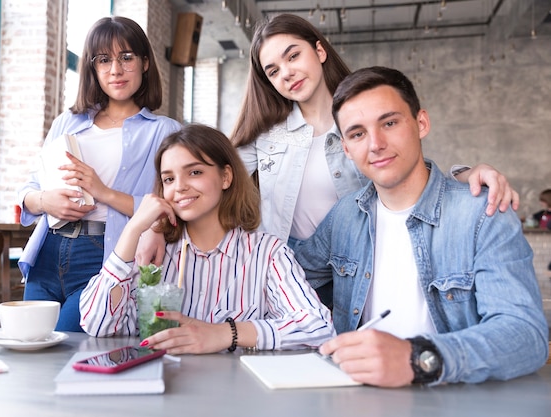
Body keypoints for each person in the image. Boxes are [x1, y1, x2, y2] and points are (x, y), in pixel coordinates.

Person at [138, 14, 519, 309]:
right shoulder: (267, 136)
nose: (287, 73)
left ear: (318, 51)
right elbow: (199, 175)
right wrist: (158, 225)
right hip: (297, 273)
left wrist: (466, 174)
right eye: (273, 70)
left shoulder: (360, 118)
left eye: (293, 55)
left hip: (367, 264)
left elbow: (403, 166)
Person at [292, 66, 549, 387]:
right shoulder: (345, 216)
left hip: (453, 401)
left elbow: (525, 335)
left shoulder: (482, 214)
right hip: (356, 399)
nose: (376, 144)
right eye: (358, 134)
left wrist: (418, 358)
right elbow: (287, 275)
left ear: (421, 123)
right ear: (346, 148)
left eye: (389, 122)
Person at [79, 124, 335, 354]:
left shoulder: (267, 254)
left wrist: (226, 333)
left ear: (226, 177)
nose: (179, 187)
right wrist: (134, 229)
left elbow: (319, 328)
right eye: (169, 179)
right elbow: (97, 324)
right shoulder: (151, 254)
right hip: (162, 394)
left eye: (194, 172)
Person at [17, 16, 180, 331]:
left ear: (145, 63)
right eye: (103, 60)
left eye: (126, 58)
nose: (115, 70)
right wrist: (44, 200)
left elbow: (167, 208)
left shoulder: (165, 132)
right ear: (92, 68)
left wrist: (103, 192)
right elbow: (29, 188)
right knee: (32, 348)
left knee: (68, 350)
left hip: (103, 257)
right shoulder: (68, 122)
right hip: (48, 252)